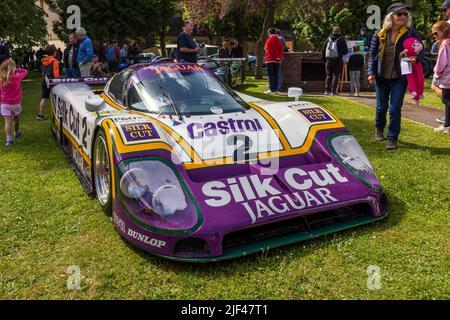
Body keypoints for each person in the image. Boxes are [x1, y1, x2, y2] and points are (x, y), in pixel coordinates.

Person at [368, 3, 424, 150]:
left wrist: (416, 58)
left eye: (405, 14)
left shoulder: (411, 33)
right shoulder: (379, 34)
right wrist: (371, 72)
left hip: (400, 77)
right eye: (399, 14)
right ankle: (379, 129)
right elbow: (372, 55)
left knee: (394, 109)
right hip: (381, 76)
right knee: (381, 107)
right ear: (390, 16)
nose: (403, 17)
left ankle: (392, 138)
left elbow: (421, 50)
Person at [0, 59, 28, 146]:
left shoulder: (1, 79)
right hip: (15, 103)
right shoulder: (16, 77)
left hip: (4, 104)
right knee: (16, 118)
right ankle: (16, 132)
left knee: (7, 121)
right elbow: (25, 71)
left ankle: (8, 139)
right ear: (13, 68)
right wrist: (16, 69)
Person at [431, 21, 450, 133]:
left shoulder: (445, 44)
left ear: (443, 32)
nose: (434, 36)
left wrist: (437, 74)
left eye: (435, 33)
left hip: (447, 79)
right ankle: (447, 125)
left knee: (446, 99)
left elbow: (441, 63)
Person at [322, 26, 349, 96]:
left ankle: (326, 90)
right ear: (339, 32)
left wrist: (325, 59)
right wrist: (340, 52)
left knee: (328, 76)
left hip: (328, 60)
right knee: (336, 76)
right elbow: (346, 51)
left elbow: (323, 50)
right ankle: (333, 92)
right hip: (338, 60)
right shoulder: (341, 39)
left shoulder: (328, 39)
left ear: (333, 31)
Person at [37, 46, 59, 121]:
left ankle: (40, 114)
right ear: (54, 52)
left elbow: (43, 72)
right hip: (52, 81)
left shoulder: (43, 60)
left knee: (44, 98)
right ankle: (56, 114)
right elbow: (56, 74)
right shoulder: (54, 61)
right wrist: (57, 81)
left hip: (45, 80)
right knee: (54, 97)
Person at [264, 28, 284, 94]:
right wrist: (278, 57)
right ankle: (275, 90)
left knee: (270, 75)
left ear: (269, 33)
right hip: (277, 60)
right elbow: (281, 50)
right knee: (276, 75)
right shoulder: (279, 40)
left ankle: (271, 89)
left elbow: (268, 50)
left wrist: (274, 57)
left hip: (270, 60)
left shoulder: (268, 40)